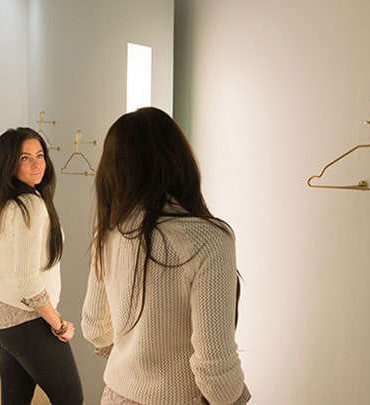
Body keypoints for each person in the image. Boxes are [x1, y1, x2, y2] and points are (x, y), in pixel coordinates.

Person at [81, 107, 251, 405]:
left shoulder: (108, 233)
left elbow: (95, 327)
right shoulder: (208, 239)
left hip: (115, 396)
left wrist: (136, 359)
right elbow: (215, 365)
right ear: (179, 159)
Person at [0, 127, 84, 404]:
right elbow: (27, 282)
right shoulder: (31, 205)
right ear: (9, 164)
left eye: (39, 155)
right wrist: (59, 324)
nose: (37, 164)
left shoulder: (3, 201)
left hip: (1, 315)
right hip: (27, 321)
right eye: (25, 158)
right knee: (71, 399)